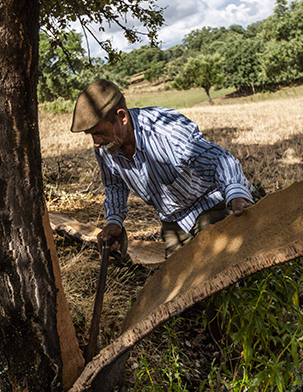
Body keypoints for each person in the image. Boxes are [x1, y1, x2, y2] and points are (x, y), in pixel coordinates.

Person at [71, 79, 253, 259]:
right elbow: (115, 185)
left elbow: (218, 160)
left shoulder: (167, 131)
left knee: (223, 265)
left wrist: (235, 194)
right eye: (91, 135)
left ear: (122, 117)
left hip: (211, 206)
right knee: (181, 280)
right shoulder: (105, 148)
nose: (96, 142)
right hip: (174, 221)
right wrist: (114, 221)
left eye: (100, 132)